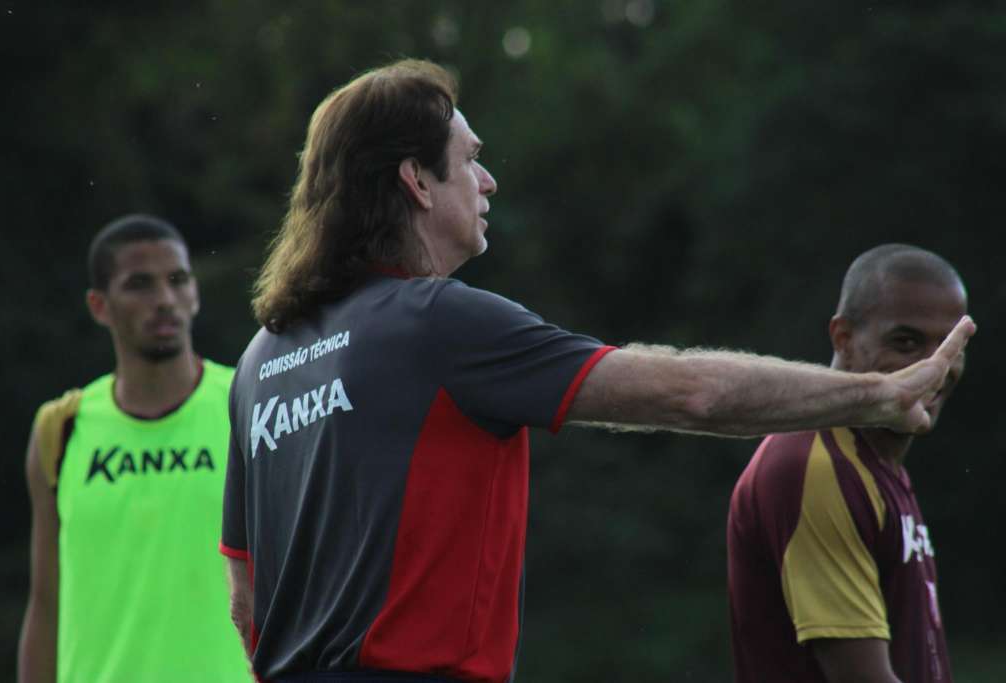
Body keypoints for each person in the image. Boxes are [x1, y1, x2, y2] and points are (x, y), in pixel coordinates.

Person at [221, 59, 974, 683]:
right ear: (416, 180)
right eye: (472, 161)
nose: (488, 183)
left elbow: (245, 600)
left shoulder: (261, 358)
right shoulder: (437, 320)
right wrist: (879, 391)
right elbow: (695, 392)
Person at [18, 215, 251, 683]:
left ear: (195, 293)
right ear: (99, 306)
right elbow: (46, 605)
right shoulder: (61, 429)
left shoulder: (245, 404)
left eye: (178, 280)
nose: (165, 300)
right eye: (139, 285)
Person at [726, 244, 968, 683]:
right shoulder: (817, 468)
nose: (935, 369)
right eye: (907, 342)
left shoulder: (874, 462)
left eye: (950, 345)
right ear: (843, 338)